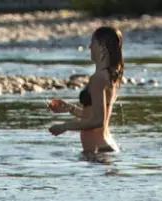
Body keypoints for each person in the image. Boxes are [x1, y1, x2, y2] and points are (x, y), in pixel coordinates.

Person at [47, 25, 123, 154]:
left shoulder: (99, 78)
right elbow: (93, 115)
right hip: (101, 148)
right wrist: (70, 108)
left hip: (99, 150)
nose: (90, 47)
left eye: (93, 43)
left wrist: (65, 126)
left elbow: (98, 121)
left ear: (103, 48)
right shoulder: (108, 76)